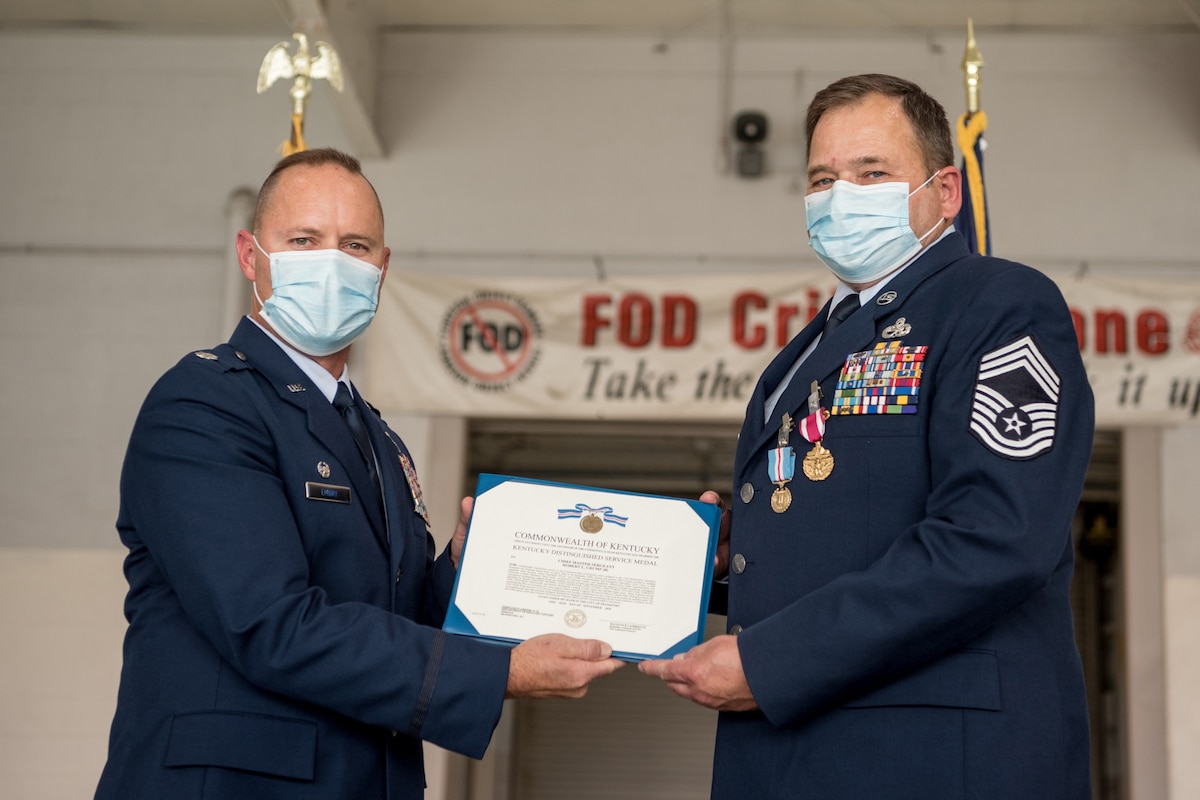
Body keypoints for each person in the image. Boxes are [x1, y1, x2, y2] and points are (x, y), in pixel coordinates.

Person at [95, 147, 622, 800]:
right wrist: (499, 673)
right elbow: (271, 623)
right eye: (304, 239)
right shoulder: (204, 404)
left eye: (355, 244)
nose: (332, 263)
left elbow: (395, 618)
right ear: (250, 255)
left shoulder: (373, 434)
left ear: (381, 267)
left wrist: (467, 561)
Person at [640, 74, 1094, 799]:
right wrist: (726, 562)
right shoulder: (809, 352)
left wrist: (772, 662)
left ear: (945, 193)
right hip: (804, 757)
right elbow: (842, 527)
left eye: (871, 172)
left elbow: (995, 536)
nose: (841, 195)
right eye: (823, 178)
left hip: (933, 760)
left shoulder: (999, 306)